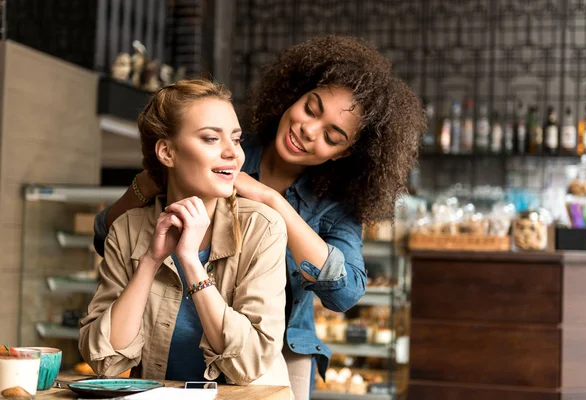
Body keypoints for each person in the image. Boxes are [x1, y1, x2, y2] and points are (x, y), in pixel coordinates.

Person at [93, 35, 426, 398]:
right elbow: (108, 236)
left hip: (280, 344)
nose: (308, 130)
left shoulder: (333, 204)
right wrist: (149, 180)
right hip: (181, 329)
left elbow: (345, 293)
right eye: (311, 109)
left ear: (344, 154)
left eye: (332, 136)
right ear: (295, 94)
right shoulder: (231, 150)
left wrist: (273, 202)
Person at [80, 79, 291, 388]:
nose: (233, 153)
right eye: (210, 139)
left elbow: (249, 363)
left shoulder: (262, 228)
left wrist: (190, 262)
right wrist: (151, 261)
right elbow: (104, 361)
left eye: (236, 139)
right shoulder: (128, 229)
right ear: (167, 152)